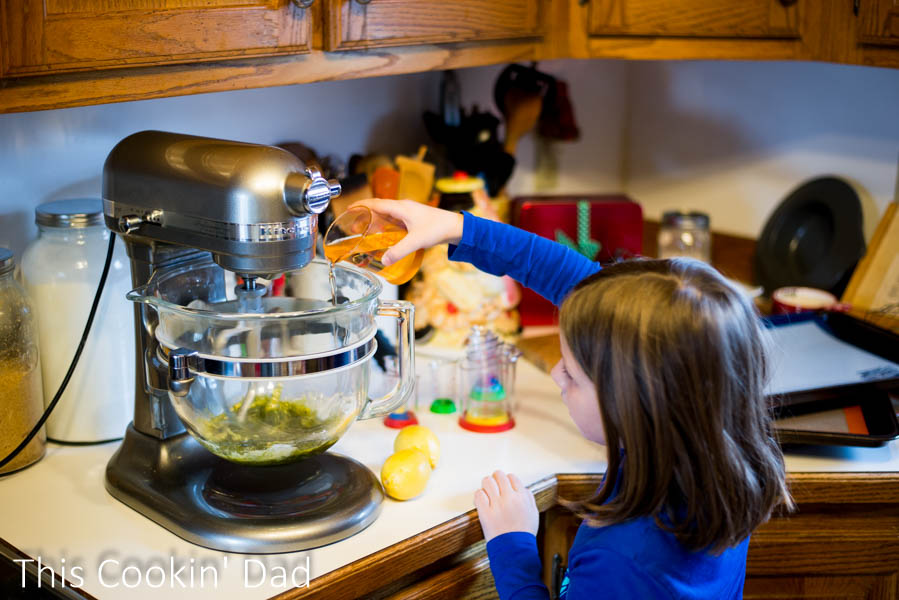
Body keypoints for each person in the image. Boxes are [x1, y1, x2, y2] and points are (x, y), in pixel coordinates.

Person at [353, 199, 792, 600]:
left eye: (574, 375)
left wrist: (514, 546)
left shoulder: (624, 562)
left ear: (632, 404)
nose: (556, 373)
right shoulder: (718, 466)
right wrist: (454, 228)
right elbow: (577, 283)